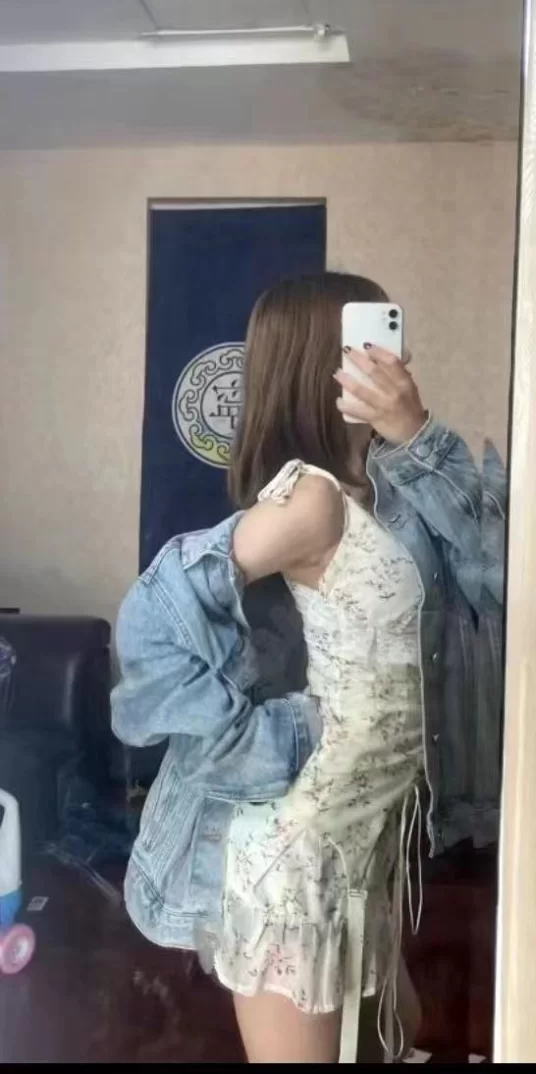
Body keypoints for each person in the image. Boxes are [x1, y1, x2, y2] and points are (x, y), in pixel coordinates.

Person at [111, 272, 504, 1063]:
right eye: (366, 339)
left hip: (367, 846)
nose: (394, 354)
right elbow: (152, 617)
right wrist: (254, 740)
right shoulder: (311, 502)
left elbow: (497, 573)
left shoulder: (395, 492)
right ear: (320, 364)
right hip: (295, 860)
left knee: (398, 1036)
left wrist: (416, 435)